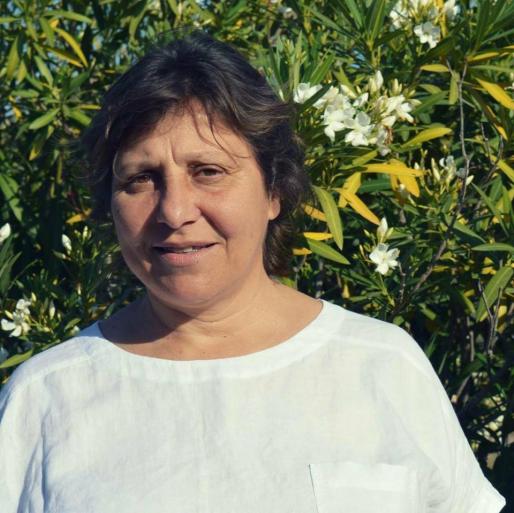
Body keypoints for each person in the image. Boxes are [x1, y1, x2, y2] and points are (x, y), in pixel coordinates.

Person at [0, 32, 506, 513]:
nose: (174, 211)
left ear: (274, 191)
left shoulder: (382, 366)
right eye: (141, 179)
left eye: (208, 171)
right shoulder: (45, 397)